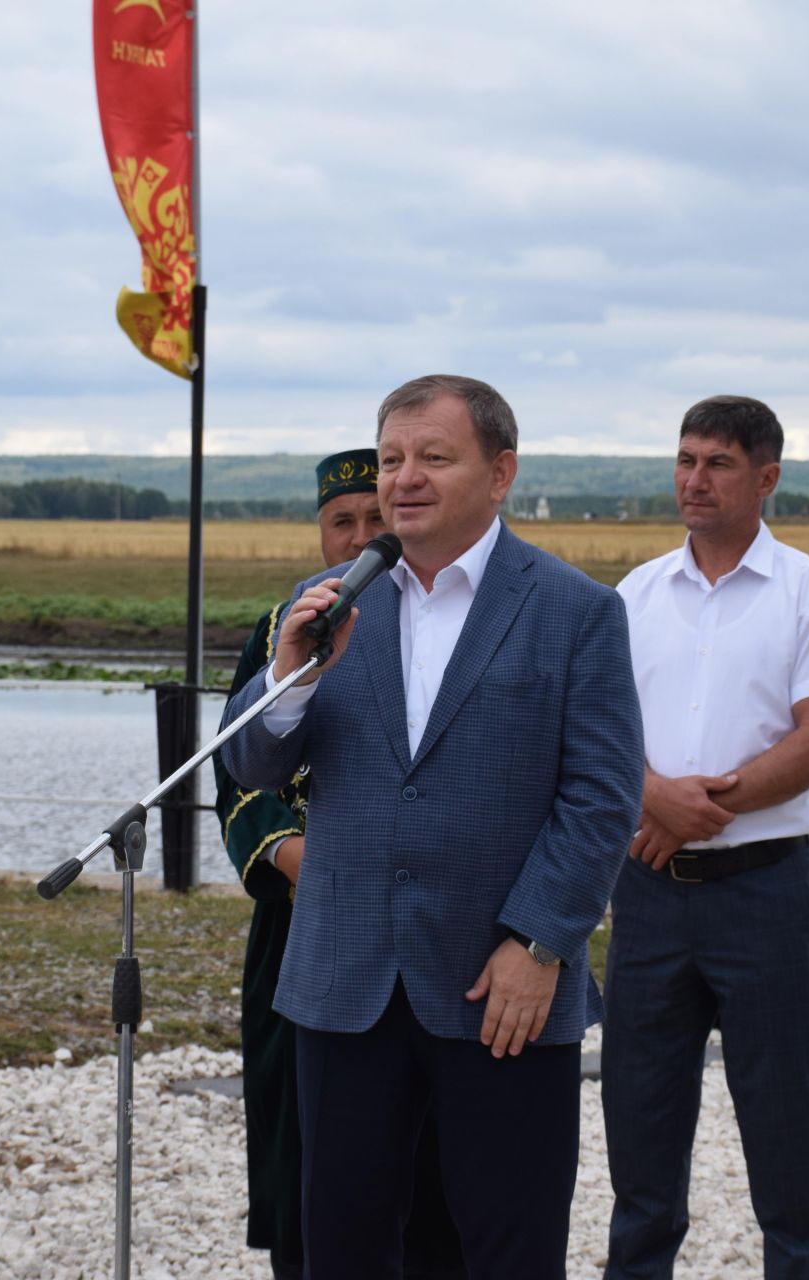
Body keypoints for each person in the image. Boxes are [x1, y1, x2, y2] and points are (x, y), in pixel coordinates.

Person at [220, 374, 644, 1279]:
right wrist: (290, 677)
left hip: (502, 994)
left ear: (501, 474)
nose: (402, 480)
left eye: (433, 458)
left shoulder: (576, 612)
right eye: (391, 460)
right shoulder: (327, 604)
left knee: (506, 1249)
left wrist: (540, 942)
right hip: (346, 982)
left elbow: (602, 796)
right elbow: (250, 767)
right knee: (344, 1249)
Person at [603, 395, 809, 1280]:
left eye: (717, 462)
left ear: (767, 477)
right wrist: (653, 798)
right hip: (648, 892)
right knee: (639, 1131)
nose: (694, 478)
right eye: (684, 459)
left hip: (764, 891)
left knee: (787, 1133)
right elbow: (597, 734)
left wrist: (698, 808)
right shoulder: (634, 596)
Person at [212, 449, 465, 1279]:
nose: (359, 540)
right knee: (308, 1152)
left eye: (375, 523)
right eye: (342, 525)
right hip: (304, 927)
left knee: (435, 1161)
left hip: (425, 924)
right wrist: (304, 855)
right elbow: (238, 773)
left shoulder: (448, 628)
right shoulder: (287, 627)